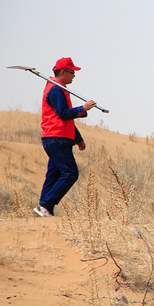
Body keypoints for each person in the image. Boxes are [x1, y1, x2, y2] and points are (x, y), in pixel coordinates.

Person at [34, 57, 96, 217]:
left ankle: (44, 208)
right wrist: (83, 108)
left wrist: (78, 138)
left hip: (58, 138)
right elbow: (64, 114)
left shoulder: (58, 88)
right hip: (56, 138)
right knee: (70, 173)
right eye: (72, 72)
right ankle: (46, 204)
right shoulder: (55, 89)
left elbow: (66, 119)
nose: (74, 75)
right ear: (63, 72)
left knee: (54, 174)